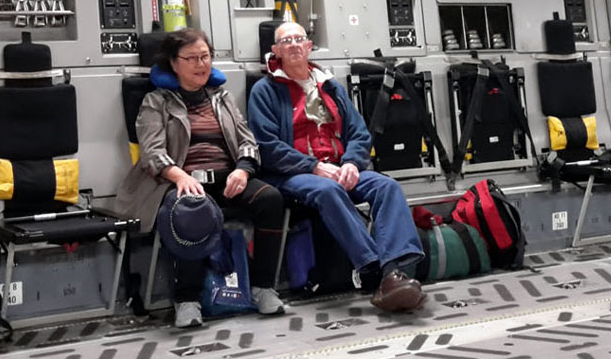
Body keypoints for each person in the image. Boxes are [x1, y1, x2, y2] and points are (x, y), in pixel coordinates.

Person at [248, 22, 426, 313]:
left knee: (386, 186)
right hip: (294, 174)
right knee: (328, 190)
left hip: (339, 167)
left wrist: (352, 163)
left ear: (309, 46)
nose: (294, 45)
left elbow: (359, 133)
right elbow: (267, 146)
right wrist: (314, 167)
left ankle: (393, 271)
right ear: (276, 51)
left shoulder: (330, 86)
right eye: (286, 41)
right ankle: (374, 271)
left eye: (299, 39)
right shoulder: (264, 91)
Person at [114, 28, 286, 328]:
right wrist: (180, 176)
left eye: (205, 57)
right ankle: (187, 300)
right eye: (191, 58)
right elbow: (152, 152)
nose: (201, 64)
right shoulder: (156, 101)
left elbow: (247, 141)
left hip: (226, 178)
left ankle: (263, 287)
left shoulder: (222, 97)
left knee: (270, 199)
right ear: (174, 63)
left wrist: (243, 169)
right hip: (178, 180)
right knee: (190, 209)